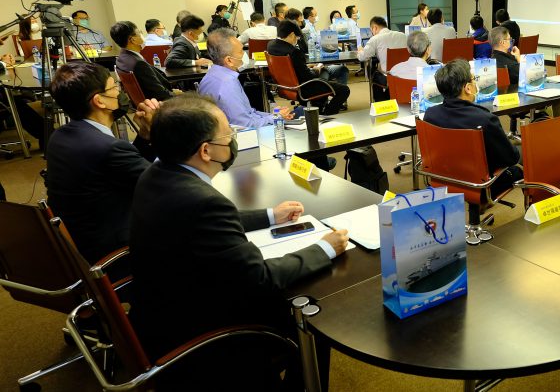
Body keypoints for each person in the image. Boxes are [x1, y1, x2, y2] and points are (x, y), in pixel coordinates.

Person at [129, 94, 349, 387]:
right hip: (201, 333)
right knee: (314, 316)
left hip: (161, 312)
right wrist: (324, 248)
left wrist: (270, 215)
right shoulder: (202, 202)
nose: (233, 139)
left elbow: (205, 223)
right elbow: (260, 279)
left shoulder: (157, 173)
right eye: (228, 135)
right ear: (206, 150)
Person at [46, 60, 160, 264]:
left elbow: (125, 168)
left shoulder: (60, 136)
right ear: (99, 101)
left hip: (80, 246)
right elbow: (165, 185)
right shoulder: (108, 148)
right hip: (116, 253)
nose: (120, 92)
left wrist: (145, 134)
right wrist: (163, 132)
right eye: (114, 87)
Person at [423, 59, 523, 195]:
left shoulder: (430, 115)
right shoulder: (485, 119)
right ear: (468, 88)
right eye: (474, 79)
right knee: (522, 159)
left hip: (443, 181)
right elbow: (510, 158)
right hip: (481, 186)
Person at [199, 28, 294, 128]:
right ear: (229, 60)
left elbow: (248, 113)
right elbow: (244, 124)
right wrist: (276, 117)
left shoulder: (213, 75)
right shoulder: (227, 85)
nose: (244, 55)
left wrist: (273, 115)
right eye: (241, 51)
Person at [267, 21, 349, 115]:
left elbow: (292, 67)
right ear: (292, 34)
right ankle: (326, 114)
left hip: (285, 86)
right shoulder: (294, 52)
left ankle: (320, 106)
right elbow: (308, 77)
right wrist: (316, 69)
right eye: (297, 37)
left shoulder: (271, 45)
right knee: (344, 90)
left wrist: (306, 67)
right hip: (303, 88)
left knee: (324, 75)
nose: (297, 40)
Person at [111, 21, 179, 101]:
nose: (142, 35)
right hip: (160, 102)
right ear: (133, 40)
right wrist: (176, 94)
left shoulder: (121, 58)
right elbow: (160, 94)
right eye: (139, 32)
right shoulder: (139, 64)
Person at [359, 16, 407, 101]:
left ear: (374, 28)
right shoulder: (403, 35)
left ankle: (380, 101)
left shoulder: (375, 39)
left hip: (388, 76)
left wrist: (360, 50)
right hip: (405, 73)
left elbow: (362, 57)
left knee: (373, 71)